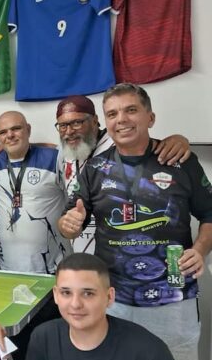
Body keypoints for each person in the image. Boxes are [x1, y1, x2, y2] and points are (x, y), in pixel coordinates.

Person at [59, 83, 212, 360]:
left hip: (173, 295)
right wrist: (69, 223)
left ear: (150, 117)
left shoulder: (180, 160)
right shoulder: (94, 168)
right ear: (106, 121)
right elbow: (70, 217)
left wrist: (200, 250)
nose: (122, 120)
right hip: (113, 298)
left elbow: (209, 213)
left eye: (131, 110)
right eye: (112, 114)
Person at [16, 253, 207, 360]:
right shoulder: (45, 338)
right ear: (56, 295)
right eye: (66, 293)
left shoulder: (147, 350)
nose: (75, 304)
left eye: (88, 293)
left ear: (109, 297)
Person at [55, 94, 190, 254]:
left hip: (125, 250)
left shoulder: (119, 142)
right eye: (63, 126)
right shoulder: (64, 153)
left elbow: (150, 145)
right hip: (83, 252)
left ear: (95, 120)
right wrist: (66, 224)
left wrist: (179, 140)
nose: (69, 131)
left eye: (77, 123)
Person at [0, 111, 71, 274]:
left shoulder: (54, 158)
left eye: (16, 129)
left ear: (28, 130)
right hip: (8, 269)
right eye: (3, 132)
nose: (10, 135)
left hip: (52, 269)